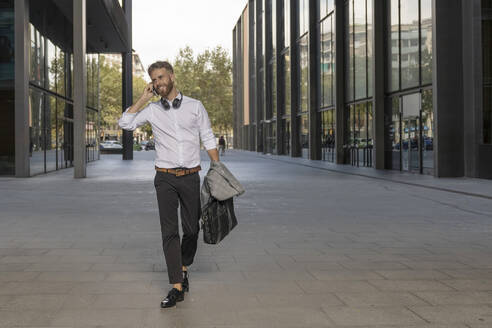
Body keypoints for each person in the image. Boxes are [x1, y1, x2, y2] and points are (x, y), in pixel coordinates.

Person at [118, 61, 219, 309]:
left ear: (172, 77)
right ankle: (176, 285)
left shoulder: (195, 106)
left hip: (190, 176)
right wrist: (142, 99)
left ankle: (183, 266)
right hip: (164, 177)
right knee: (169, 232)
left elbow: (207, 135)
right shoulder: (152, 110)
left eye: (161, 77)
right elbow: (125, 123)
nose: (158, 83)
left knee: (192, 229)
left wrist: (217, 167)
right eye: (154, 79)